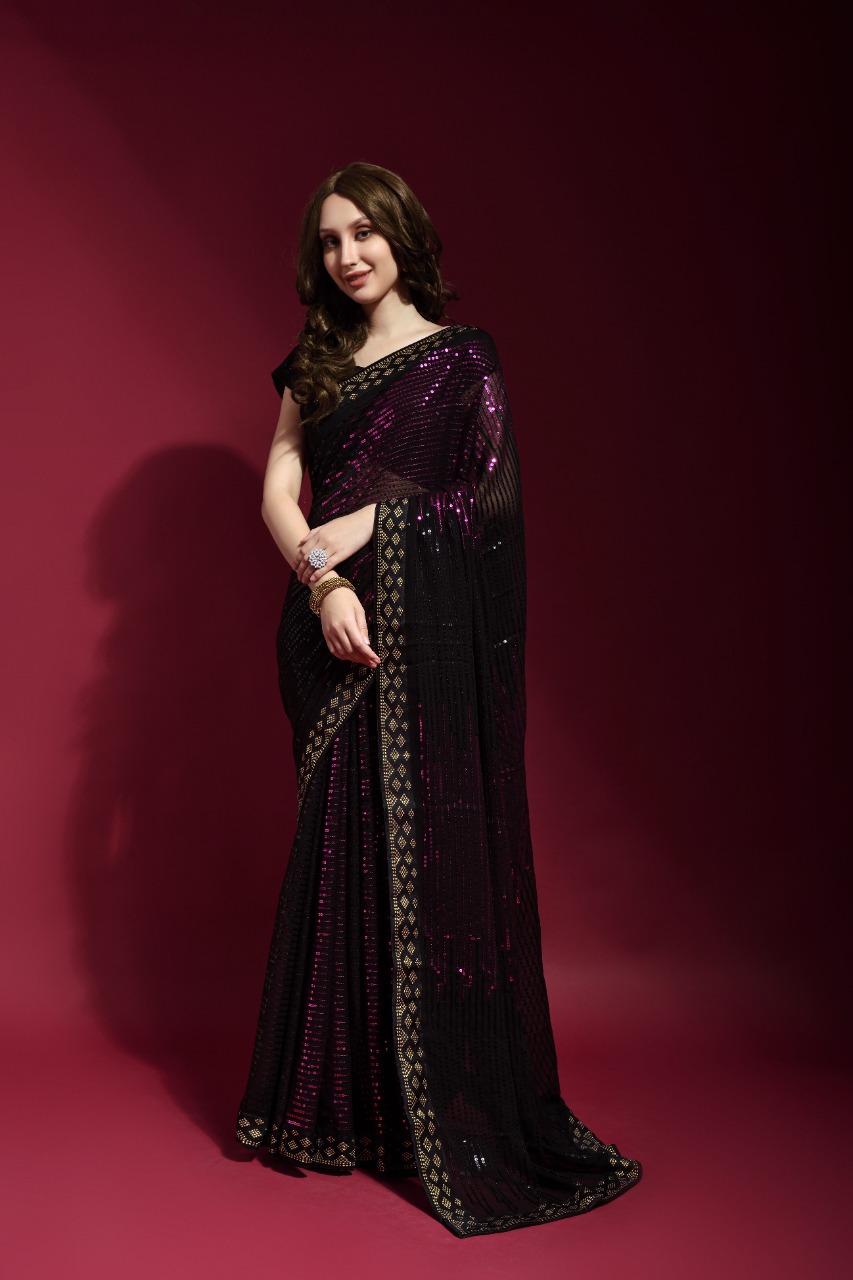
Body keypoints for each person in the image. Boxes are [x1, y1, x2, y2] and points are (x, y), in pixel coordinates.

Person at [235, 161, 642, 1237]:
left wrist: (374, 524)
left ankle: (434, 1109)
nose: (347, 255)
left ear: (403, 234)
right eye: (329, 241)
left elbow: (489, 498)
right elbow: (278, 487)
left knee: (430, 850)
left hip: (428, 630)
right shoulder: (317, 360)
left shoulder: (463, 358)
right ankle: (340, 1110)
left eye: (363, 232)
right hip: (331, 625)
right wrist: (323, 583)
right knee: (341, 844)